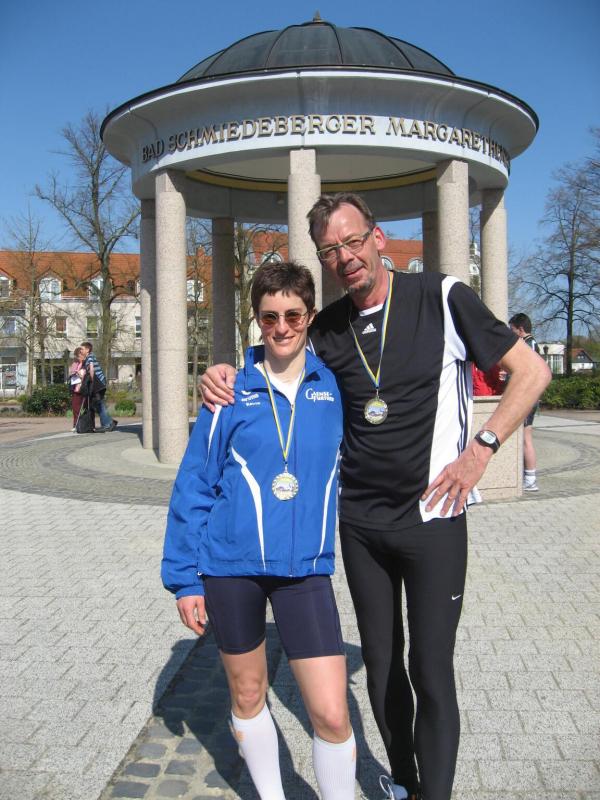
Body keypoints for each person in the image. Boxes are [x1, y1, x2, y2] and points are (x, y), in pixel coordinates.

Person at [201, 193, 551, 800]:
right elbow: (280, 351)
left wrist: (482, 449)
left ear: (378, 237)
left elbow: (533, 372)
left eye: (353, 240)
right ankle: (405, 784)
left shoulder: (442, 296)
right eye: (330, 249)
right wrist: (225, 369)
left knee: (430, 669)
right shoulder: (327, 327)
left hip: (433, 518)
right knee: (384, 670)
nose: (345, 256)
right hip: (361, 525)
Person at [162, 261, 356, 800]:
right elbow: (195, 482)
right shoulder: (229, 390)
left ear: (310, 315)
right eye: (270, 317)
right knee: (248, 695)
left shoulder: (334, 386)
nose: (282, 327)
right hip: (231, 568)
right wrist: (185, 579)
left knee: (331, 712)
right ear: (256, 319)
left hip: (305, 570)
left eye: (293, 315)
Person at [508, 313, 541, 491]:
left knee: (525, 438)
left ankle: (530, 479)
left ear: (520, 329)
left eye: (512, 329)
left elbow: (527, 371)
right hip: (530, 396)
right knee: (525, 437)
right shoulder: (531, 343)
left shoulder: (527, 345)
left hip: (527, 397)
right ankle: (528, 477)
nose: (510, 332)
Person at [80, 342, 118, 433]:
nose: (81, 350)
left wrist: (91, 382)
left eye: (82, 349)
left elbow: (92, 370)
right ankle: (109, 423)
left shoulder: (90, 357)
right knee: (98, 404)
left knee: (99, 404)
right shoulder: (89, 357)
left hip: (98, 384)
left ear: (87, 350)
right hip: (99, 383)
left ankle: (107, 424)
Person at [68, 346, 86, 431]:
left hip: (84, 388)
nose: (78, 357)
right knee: (75, 407)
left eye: (80, 355)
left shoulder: (86, 364)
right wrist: (74, 372)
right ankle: (76, 425)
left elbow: (88, 375)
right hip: (76, 387)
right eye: (77, 356)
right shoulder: (76, 363)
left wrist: (81, 375)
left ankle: (86, 424)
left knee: (86, 408)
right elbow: (71, 373)